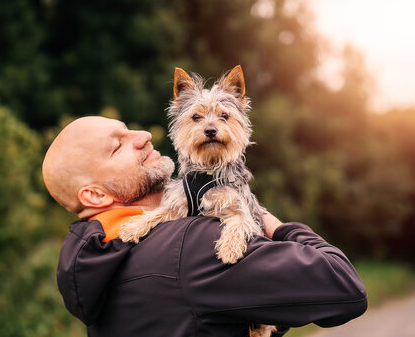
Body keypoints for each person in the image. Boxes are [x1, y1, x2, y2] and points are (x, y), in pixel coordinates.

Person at [43, 116, 367, 337]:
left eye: (131, 131)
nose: (144, 137)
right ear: (94, 195)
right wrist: (274, 225)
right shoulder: (192, 246)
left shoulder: (93, 267)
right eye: (117, 146)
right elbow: (345, 289)